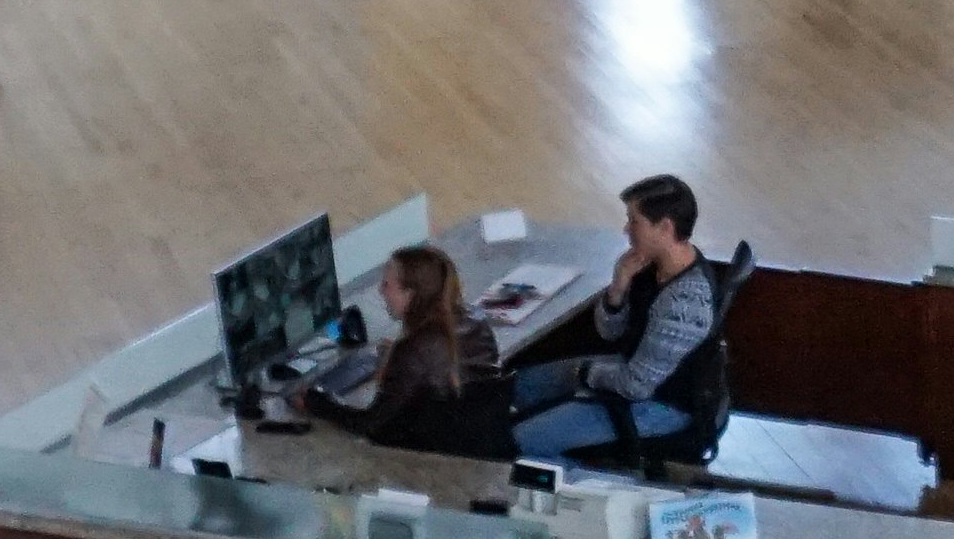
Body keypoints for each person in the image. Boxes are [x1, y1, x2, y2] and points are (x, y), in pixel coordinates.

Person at [510, 175, 726, 462]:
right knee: (520, 387)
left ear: (664, 227)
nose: (626, 229)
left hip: (661, 406)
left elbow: (635, 386)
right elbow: (610, 333)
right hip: (631, 372)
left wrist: (585, 374)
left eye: (634, 221)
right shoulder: (654, 265)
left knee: (524, 442)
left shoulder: (684, 302)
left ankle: (580, 486)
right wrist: (619, 287)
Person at [302, 244, 504, 460]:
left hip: (433, 458)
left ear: (410, 294)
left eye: (387, 285)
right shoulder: (477, 320)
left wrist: (315, 402)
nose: (381, 291)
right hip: (479, 442)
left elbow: (370, 424)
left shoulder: (414, 349)